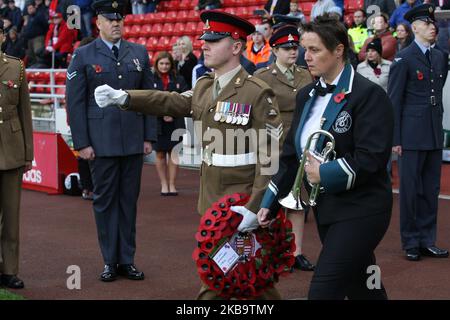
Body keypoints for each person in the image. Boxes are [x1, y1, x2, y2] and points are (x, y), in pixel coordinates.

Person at [95, 10, 284, 300]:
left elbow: (270, 157)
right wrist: (125, 97)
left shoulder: (257, 92)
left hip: (243, 203)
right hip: (211, 198)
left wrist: (257, 205)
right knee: (221, 274)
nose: (204, 45)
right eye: (204, 39)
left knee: (251, 280)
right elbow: (170, 101)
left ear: (236, 47)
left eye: (214, 40)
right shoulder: (206, 86)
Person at [257, 15, 393, 299]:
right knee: (365, 285)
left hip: (363, 208)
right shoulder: (306, 94)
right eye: (305, 49)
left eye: (315, 50)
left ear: (339, 50)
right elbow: (292, 156)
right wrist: (269, 203)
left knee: (323, 291)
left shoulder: (369, 95)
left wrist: (325, 173)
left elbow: (372, 158)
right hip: (327, 208)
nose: (306, 57)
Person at [66, 0, 157, 282]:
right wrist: (82, 143)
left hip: (132, 141)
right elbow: (75, 103)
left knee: (129, 202)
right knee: (105, 203)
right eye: (110, 19)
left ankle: (127, 260)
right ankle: (109, 260)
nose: (117, 23)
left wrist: (148, 135)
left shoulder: (139, 52)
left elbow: (149, 98)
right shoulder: (82, 55)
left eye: (120, 19)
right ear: (98, 23)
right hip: (100, 143)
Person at [387, 4, 449, 262]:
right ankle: (411, 241)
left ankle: (427, 239)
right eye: (426, 23)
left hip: (433, 132)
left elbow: (437, 90)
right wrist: (396, 139)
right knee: (411, 190)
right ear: (414, 28)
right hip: (411, 135)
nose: (432, 26)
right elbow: (394, 101)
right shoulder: (404, 58)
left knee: (430, 188)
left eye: (433, 23)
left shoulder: (439, 56)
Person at [254, 25, 315, 271]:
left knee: (298, 201)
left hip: (300, 144)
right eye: (287, 48)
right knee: (271, 200)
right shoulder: (262, 76)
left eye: (294, 47)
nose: (293, 51)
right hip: (273, 145)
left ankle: (296, 251)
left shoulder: (305, 74)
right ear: (275, 50)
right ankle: (270, 250)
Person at [0, 19, 33, 289]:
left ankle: (9, 270)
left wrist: (28, 154)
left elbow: (25, 113)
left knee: (11, 216)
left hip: (11, 149)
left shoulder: (16, 67)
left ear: (2, 37)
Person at [152, 51, 188, 196]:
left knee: (174, 154)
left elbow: (184, 97)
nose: (164, 66)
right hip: (157, 122)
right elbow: (150, 99)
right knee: (160, 154)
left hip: (175, 122)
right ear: (156, 64)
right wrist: (162, 114)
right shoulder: (150, 79)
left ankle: (172, 184)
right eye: (161, 63)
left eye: (167, 63)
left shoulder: (179, 78)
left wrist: (171, 113)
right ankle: (164, 184)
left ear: (171, 64)